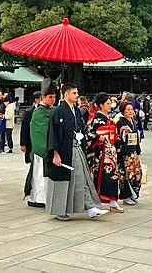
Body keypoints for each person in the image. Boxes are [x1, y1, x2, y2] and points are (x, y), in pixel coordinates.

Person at [45, 83, 108, 221]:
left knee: (81, 178)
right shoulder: (58, 111)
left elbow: (81, 128)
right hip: (64, 150)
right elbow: (53, 134)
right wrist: (55, 154)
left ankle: (90, 207)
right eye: (74, 93)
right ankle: (64, 210)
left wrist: (81, 135)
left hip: (76, 147)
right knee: (70, 180)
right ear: (66, 94)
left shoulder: (77, 111)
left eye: (77, 92)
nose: (77, 95)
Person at [86, 92, 123, 213]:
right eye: (107, 104)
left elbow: (114, 134)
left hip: (110, 150)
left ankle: (113, 201)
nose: (110, 105)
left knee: (113, 175)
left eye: (110, 103)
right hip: (101, 152)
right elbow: (88, 133)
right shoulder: (96, 119)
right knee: (103, 176)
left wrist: (120, 133)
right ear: (101, 105)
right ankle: (98, 201)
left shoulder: (109, 118)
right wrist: (98, 138)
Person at [25, 83, 56, 208]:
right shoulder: (38, 112)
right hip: (41, 150)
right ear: (42, 97)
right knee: (39, 175)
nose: (53, 100)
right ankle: (38, 198)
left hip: (48, 148)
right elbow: (39, 131)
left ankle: (46, 197)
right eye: (50, 97)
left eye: (54, 97)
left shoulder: (53, 110)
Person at [116, 101, 143, 205]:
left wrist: (138, 150)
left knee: (136, 174)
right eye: (128, 109)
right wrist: (122, 132)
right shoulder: (120, 123)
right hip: (124, 152)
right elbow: (118, 138)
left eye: (131, 109)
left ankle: (133, 194)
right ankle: (126, 196)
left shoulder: (133, 122)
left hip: (133, 151)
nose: (130, 111)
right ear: (123, 111)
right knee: (125, 174)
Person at [20, 91, 42, 165]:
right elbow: (24, 129)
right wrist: (23, 143)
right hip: (31, 141)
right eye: (41, 98)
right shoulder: (29, 112)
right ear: (36, 100)